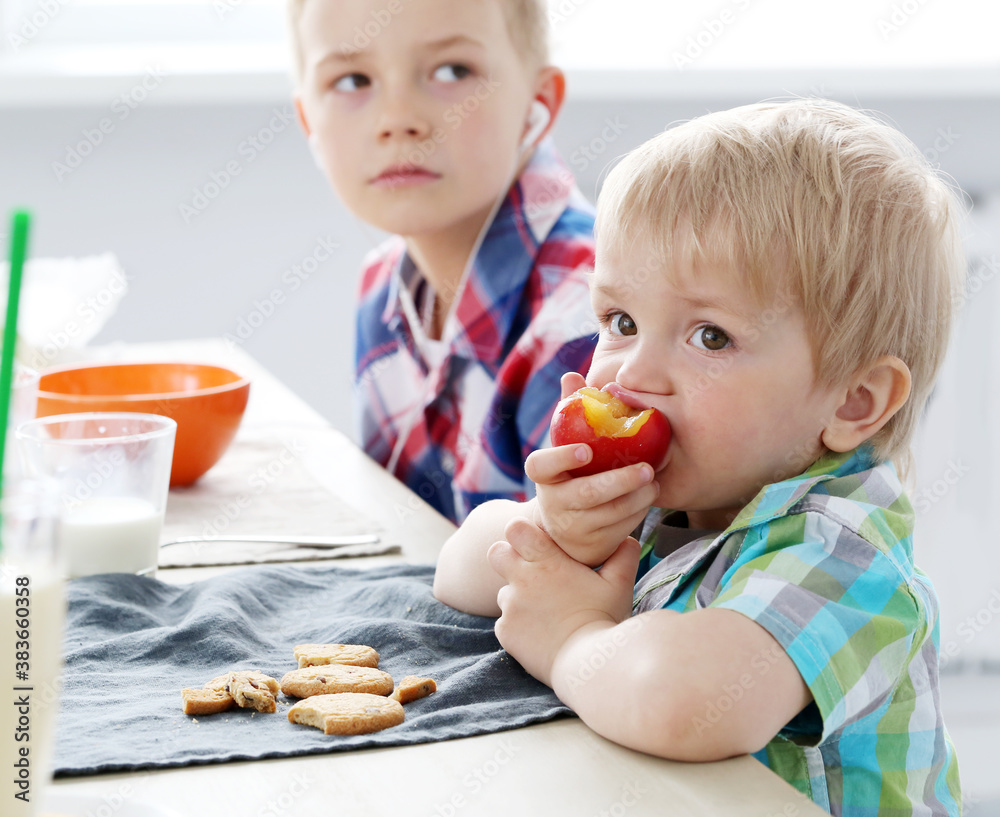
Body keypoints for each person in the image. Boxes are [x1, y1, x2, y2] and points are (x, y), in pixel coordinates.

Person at [433, 99, 966, 816]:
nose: (630, 376)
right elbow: (459, 571)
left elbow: (681, 703)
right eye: (621, 322)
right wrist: (558, 534)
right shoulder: (684, 486)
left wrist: (569, 638)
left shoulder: (844, 556)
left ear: (852, 401)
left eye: (710, 337)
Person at [288, 0, 598, 523]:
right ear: (308, 122)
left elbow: (577, 581)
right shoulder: (382, 289)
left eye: (453, 71)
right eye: (351, 80)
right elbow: (407, 543)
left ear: (536, 103)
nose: (397, 119)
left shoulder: (589, 321)